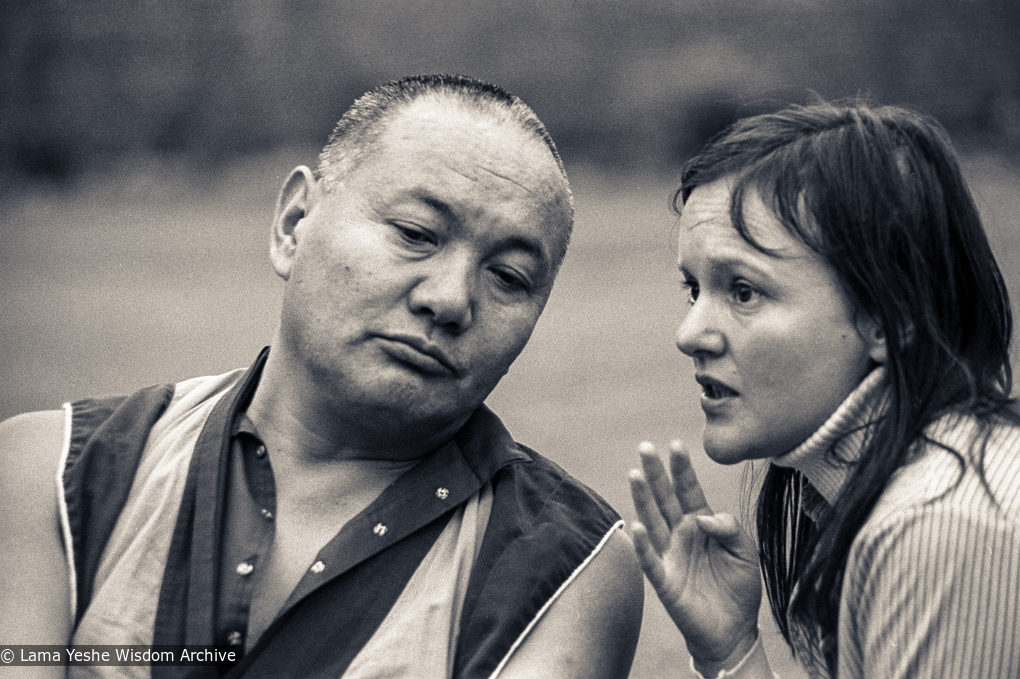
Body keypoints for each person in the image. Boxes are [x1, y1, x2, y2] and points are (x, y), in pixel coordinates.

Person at [0, 74, 643, 679]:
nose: (450, 299)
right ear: (293, 224)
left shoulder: (565, 565)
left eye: (508, 276)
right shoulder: (58, 472)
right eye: (416, 233)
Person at [629, 100, 1020, 678]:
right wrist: (730, 653)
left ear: (891, 317)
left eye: (743, 291)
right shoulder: (897, 494)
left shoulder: (943, 522)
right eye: (694, 289)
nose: (689, 334)